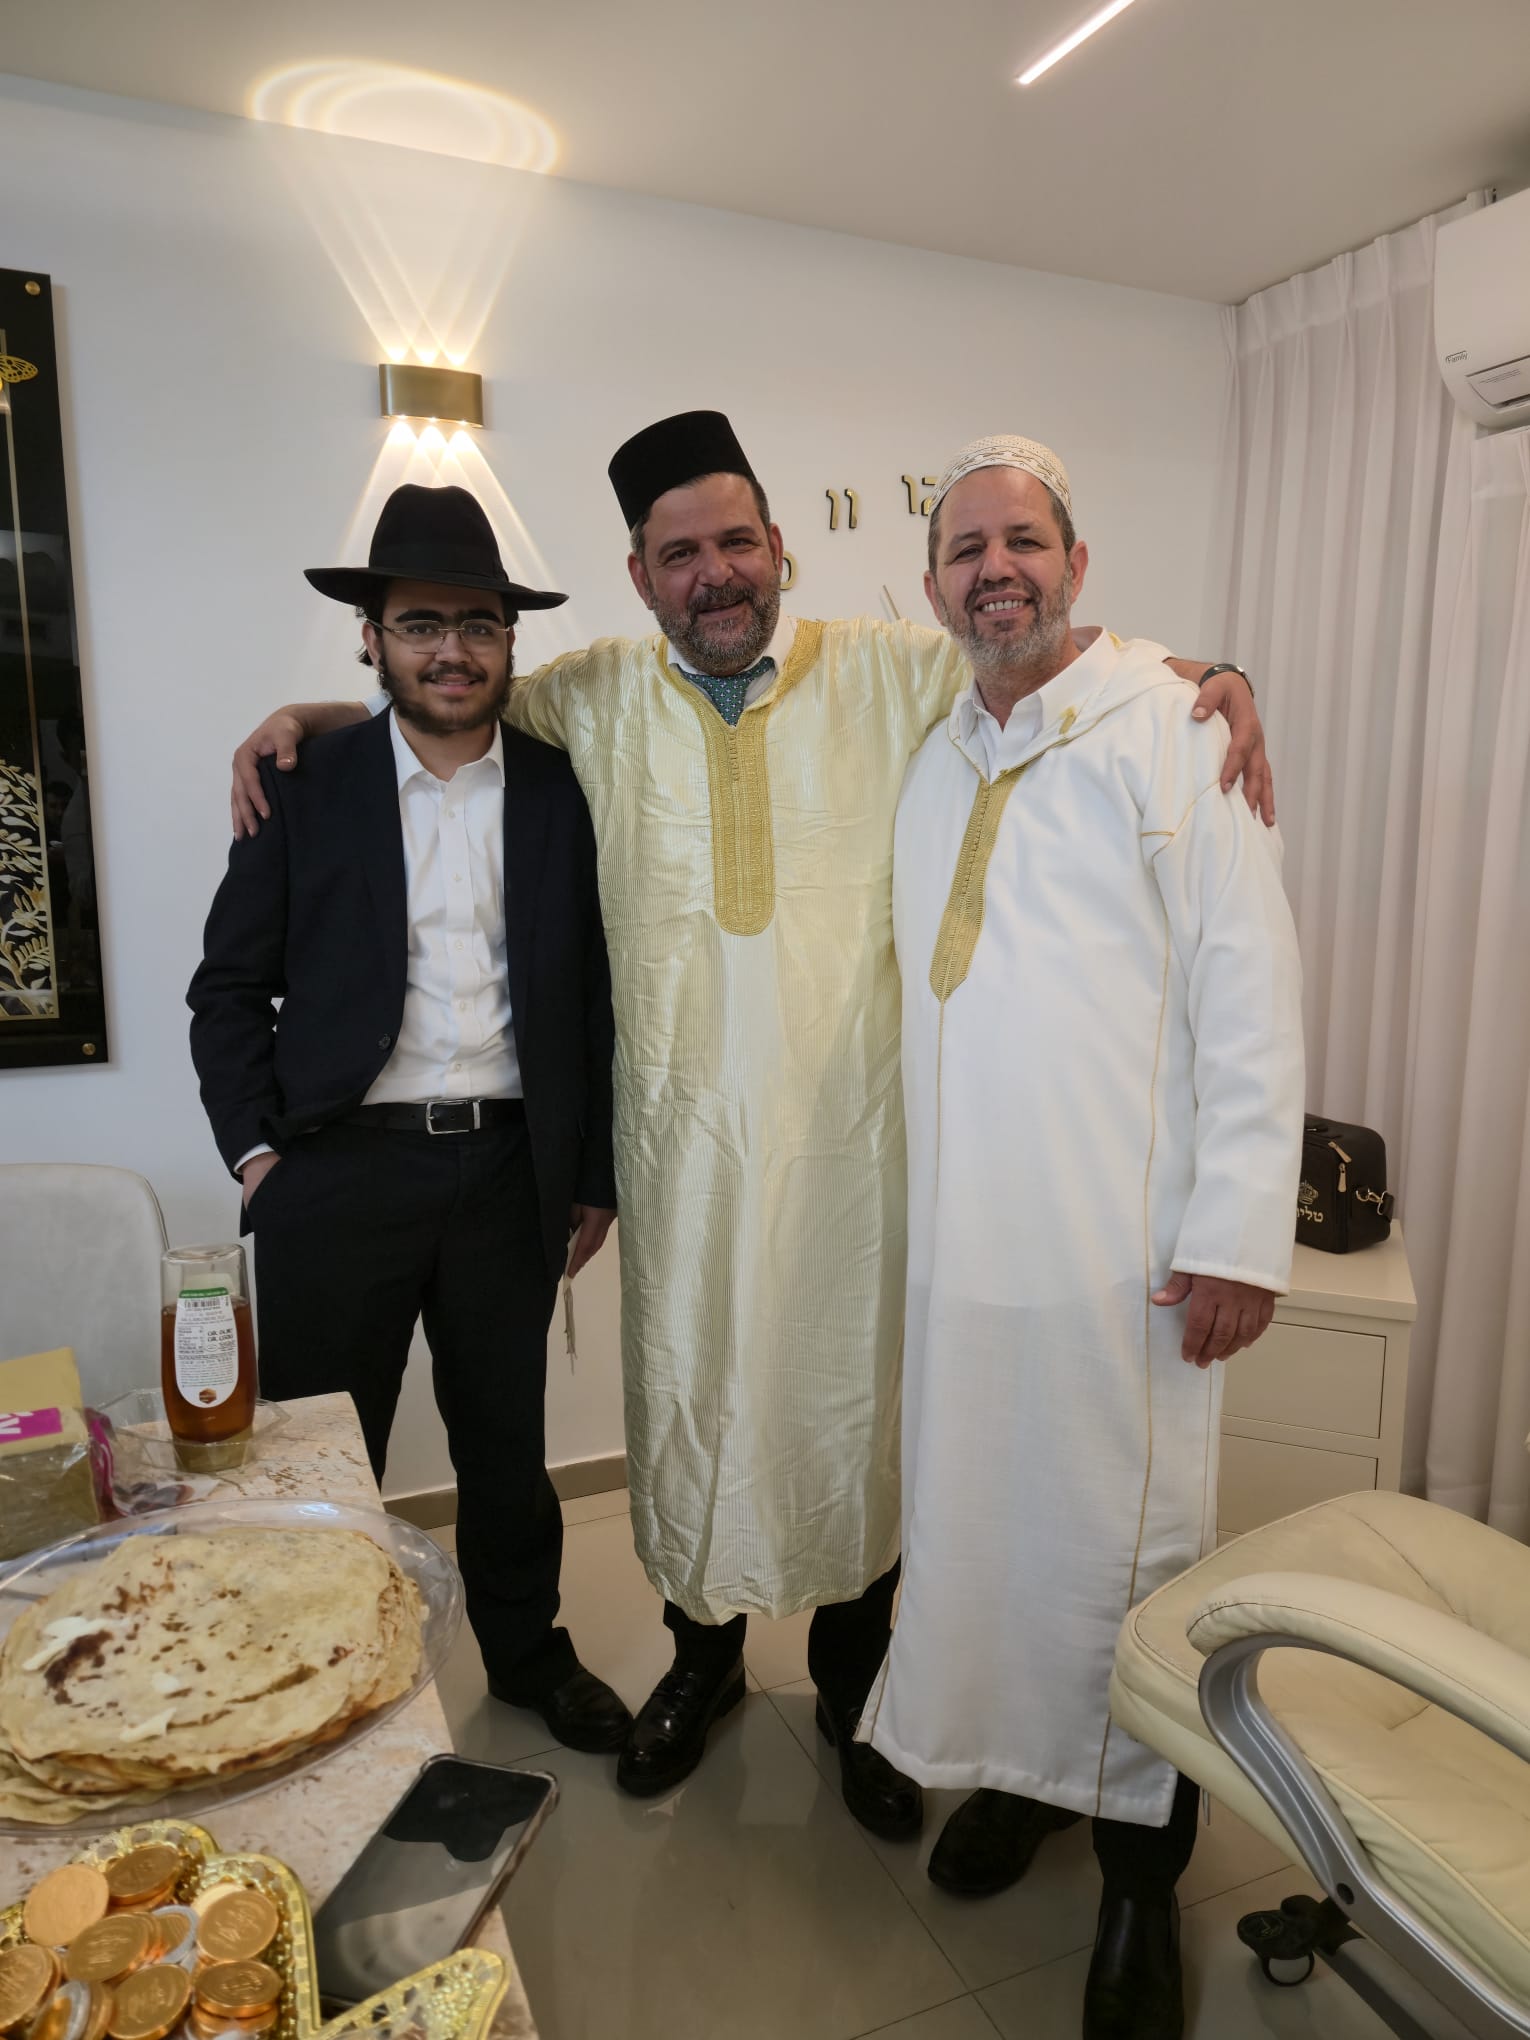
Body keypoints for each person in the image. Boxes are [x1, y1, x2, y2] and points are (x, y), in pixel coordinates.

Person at [227, 414, 1271, 1838]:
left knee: (850, 1414)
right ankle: (701, 1665)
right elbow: (445, 706)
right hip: (681, 1161)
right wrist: (308, 720)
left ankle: (854, 1693)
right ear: (639, 578)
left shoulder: (893, 669)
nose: (712, 573)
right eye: (679, 555)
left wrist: (1209, 672)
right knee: (692, 1403)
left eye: (734, 542)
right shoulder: (589, 698)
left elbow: (1039, 648)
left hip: (857, 1156)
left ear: (779, 549)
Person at [862, 436, 1303, 2039]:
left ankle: (1138, 1880)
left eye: (1023, 540)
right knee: (988, 1545)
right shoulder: (931, 749)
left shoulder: (1172, 731)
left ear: (1076, 562)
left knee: (1127, 1566)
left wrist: (1240, 1231)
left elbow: (1249, 987)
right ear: (930, 590)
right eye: (964, 547)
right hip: (966, 1256)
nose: (995, 568)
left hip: (1127, 1268)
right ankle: (1022, 1777)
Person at [189, 483, 630, 1757]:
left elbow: (596, 997)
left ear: (510, 640)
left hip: (506, 1169)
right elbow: (228, 989)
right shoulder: (305, 783)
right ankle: (311, 1678)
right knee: (322, 1457)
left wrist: (590, 1171)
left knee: (506, 1443)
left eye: (477, 624)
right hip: (336, 1173)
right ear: (371, 638)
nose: (452, 650)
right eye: (421, 623)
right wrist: (260, 1157)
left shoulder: (562, 789)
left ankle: (529, 1655)